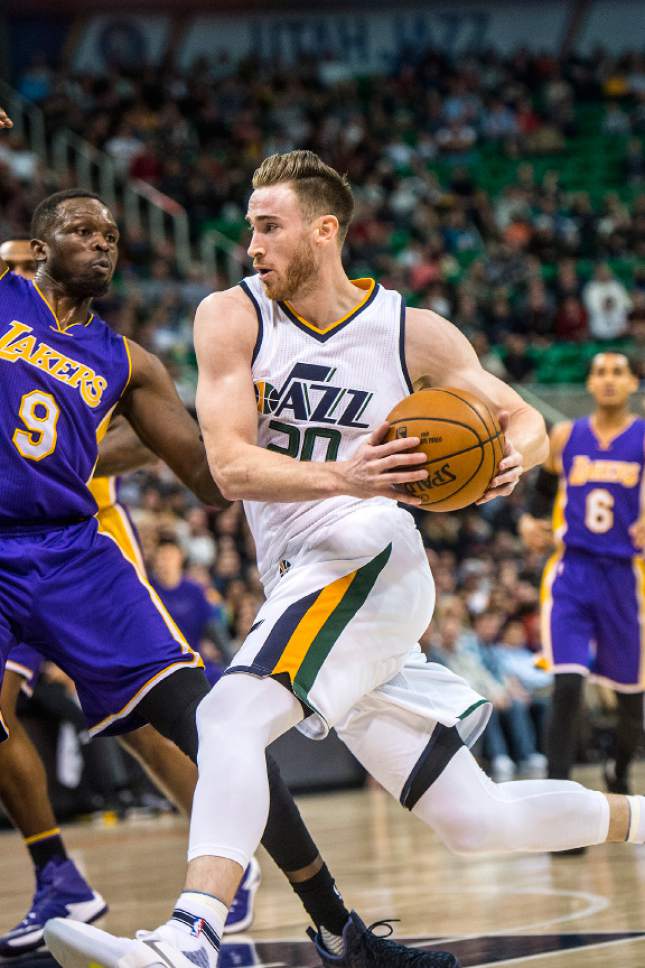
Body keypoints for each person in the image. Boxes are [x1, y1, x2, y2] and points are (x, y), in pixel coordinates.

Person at [48, 150, 645, 968]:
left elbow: (520, 418)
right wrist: (344, 470)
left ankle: (189, 936)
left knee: (229, 716)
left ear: (325, 230)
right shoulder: (233, 316)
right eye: (250, 227)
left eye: (268, 227)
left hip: (365, 552)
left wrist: (513, 456)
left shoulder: (411, 331)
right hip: (305, 573)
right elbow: (227, 466)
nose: (251, 245)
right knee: (477, 822)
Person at [0, 108, 455, 968]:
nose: (102, 242)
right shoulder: (2, 297)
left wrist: (284, 423)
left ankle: (332, 921)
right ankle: (57, 868)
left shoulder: (129, 364)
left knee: (213, 723)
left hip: (71, 551)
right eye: (80, 229)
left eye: (110, 233)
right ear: (35, 243)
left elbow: (213, 471)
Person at [520, 353, 645, 814]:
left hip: (626, 579)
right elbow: (540, 496)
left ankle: (619, 769)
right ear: (590, 383)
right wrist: (528, 524)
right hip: (571, 572)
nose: (609, 380)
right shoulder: (566, 436)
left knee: (632, 698)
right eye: (600, 372)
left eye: (618, 371)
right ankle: (558, 801)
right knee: (567, 684)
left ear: (632, 381)